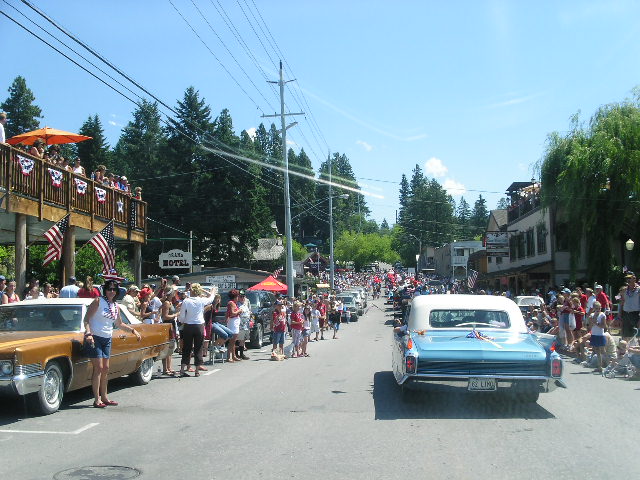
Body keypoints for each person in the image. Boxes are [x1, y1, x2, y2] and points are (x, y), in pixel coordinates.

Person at [83, 279, 141, 407]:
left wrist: (133, 331)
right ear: (105, 289)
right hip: (95, 337)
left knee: (106, 368)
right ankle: (96, 399)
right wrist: (88, 334)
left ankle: (104, 397)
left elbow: (119, 324)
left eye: (114, 289)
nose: (112, 291)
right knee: (98, 368)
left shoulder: (116, 306)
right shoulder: (98, 301)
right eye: (109, 289)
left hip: (107, 338)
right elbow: (86, 319)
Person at [177, 283, 215, 376]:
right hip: (199, 326)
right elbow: (211, 298)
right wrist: (212, 291)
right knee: (198, 348)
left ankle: (182, 369)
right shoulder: (201, 300)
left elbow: (182, 316)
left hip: (188, 325)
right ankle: (197, 370)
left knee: (187, 348)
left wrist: (182, 321)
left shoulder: (186, 301)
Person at [160, 287, 180, 376]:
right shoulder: (167, 303)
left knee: (171, 347)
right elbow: (165, 316)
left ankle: (169, 367)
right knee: (167, 347)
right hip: (167, 325)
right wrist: (175, 315)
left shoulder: (171, 302)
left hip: (172, 325)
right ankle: (165, 369)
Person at [620, 273, 640, 341]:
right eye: (627, 278)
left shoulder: (639, 290)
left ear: (634, 279)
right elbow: (622, 303)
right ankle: (626, 350)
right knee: (626, 335)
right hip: (626, 314)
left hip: (635, 314)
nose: (628, 280)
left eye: (629, 278)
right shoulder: (624, 290)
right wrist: (619, 315)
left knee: (637, 335)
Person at [589, 301, 607, 373]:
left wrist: (596, 323)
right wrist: (591, 321)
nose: (598, 310)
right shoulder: (592, 315)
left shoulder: (602, 315)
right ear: (593, 308)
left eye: (599, 308)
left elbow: (603, 326)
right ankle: (600, 366)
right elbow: (590, 326)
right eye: (596, 308)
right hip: (594, 334)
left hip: (600, 335)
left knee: (603, 350)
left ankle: (608, 365)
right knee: (597, 351)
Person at [225, 289, 242, 362]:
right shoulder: (231, 303)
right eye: (237, 296)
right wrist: (239, 311)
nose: (238, 298)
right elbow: (232, 313)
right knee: (232, 340)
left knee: (234, 341)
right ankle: (229, 356)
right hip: (233, 322)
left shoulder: (234, 303)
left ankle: (233, 355)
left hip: (235, 322)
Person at [236, 290, 251, 361]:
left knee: (243, 340)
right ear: (238, 297)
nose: (242, 298)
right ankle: (236, 354)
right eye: (241, 296)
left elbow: (248, 313)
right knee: (238, 339)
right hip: (240, 325)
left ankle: (241, 354)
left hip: (246, 325)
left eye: (243, 296)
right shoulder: (237, 305)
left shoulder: (245, 304)